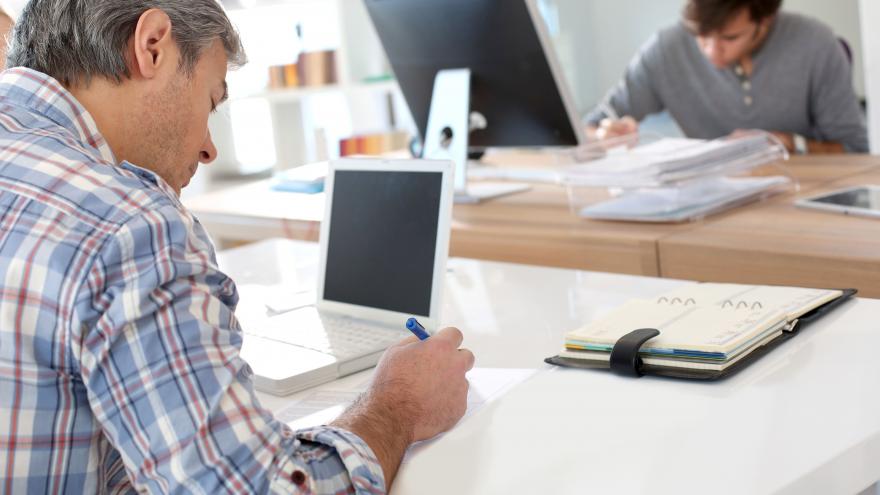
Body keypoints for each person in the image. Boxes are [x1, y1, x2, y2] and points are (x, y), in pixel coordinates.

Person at [0, 1, 474, 493]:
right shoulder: (126, 226)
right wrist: (396, 406)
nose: (209, 148)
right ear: (153, 45)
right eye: (211, 99)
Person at [585, 0, 869, 154]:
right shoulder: (666, 47)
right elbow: (591, 125)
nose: (711, 51)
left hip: (801, 197)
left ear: (765, 20)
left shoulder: (815, 43)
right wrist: (604, 133)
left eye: (729, 38)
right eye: (702, 36)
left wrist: (790, 143)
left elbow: (855, 149)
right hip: (710, 203)